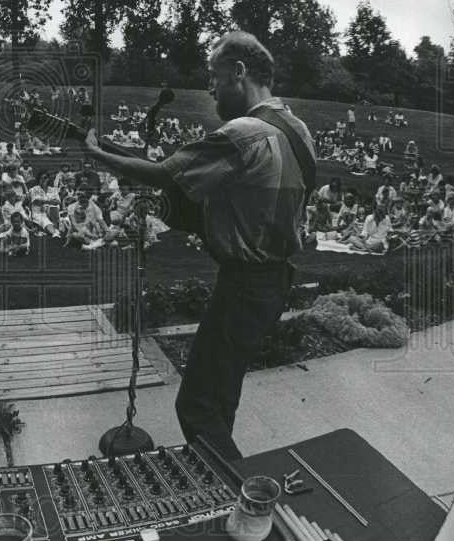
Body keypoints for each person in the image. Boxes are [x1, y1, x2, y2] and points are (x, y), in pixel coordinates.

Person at [83, 31, 311, 461]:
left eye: (213, 76)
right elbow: (246, 203)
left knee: (197, 407)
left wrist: (99, 154)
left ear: (238, 73)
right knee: (221, 397)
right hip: (276, 281)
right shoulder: (296, 129)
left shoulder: (244, 132)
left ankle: (240, 497)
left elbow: (165, 174)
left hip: (243, 285)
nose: (209, 87)